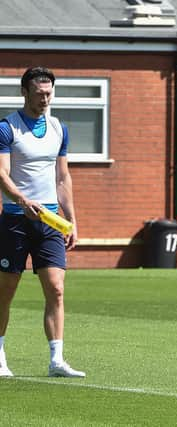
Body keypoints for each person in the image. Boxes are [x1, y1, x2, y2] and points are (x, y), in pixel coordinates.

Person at [0, 66, 85, 377]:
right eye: (39, 93)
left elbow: (63, 177)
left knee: (56, 288)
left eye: (49, 92)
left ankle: (57, 360)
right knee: (6, 289)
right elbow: (1, 174)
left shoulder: (59, 129)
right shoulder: (7, 128)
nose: (45, 98)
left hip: (49, 221)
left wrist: (71, 221)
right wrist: (22, 202)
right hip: (14, 219)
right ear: (25, 92)